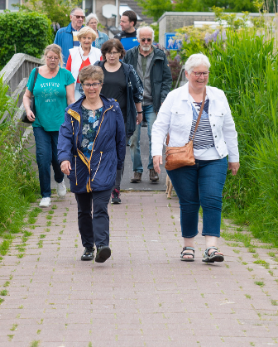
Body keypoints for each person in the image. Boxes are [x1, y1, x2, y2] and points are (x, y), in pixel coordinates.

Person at [151, 53, 240, 263]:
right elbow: (160, 126)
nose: (201, 77)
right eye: (197, 73)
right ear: (188, 74)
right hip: (181, 159)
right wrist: (156, 152)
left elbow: (229, 128)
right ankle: (188, 246)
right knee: (189, 202)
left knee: (212, 198)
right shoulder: (175, 97)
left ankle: (211, 248)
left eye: (205, 73)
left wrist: (234, 157)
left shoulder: (218, 96)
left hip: (214, 157)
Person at [58, 65, 126, 263]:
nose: (91, 88)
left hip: (104, 163)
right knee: (83, 210)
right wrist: (64, 158)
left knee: (100, 208)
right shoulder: (72, 111)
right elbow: (64, 136)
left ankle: (102, 245)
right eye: (87, 84)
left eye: (95, 84)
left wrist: (118, 164)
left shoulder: (112, 109)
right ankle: (88, 246)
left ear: (101, 85)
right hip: (80, 165)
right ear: (82, 85)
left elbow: (120, 138)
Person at [23, 44, 75, 208]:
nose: (52, 60)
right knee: (43, 158)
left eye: (55, 58)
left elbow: (71, 100)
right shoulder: (36, 73)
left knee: (58, 159)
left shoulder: (66, 75)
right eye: (49, 57)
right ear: (45, 57)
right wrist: (27, 109)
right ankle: (45, 194)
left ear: (60, 58)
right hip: (40, 124)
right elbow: (27, 95)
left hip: (61, 124)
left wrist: (73, 119)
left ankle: (60, 180)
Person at [95, 39, 144, 204]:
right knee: (100, 151)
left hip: (121, 118)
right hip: (99, 117)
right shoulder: (97, 68)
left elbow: (137, 92)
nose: (111, 55)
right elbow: (87, 88)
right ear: (104, 54)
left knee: (118, 154)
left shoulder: (128, 70)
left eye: (115, 52)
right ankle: (102, 184)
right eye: (109, 52)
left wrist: (139, 112)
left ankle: (115, 189)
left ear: (121, 54)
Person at [124, 26, 172, 184]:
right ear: (138, 39)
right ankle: (137, 170)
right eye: (142, 39)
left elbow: (167, 80)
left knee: (154, 136)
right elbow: (123, 76)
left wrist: (164, 98)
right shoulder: (130, 54)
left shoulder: (160, 55)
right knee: (133, 138)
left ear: (153, 40)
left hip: (153, 102)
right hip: (134, 102)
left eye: (148, 39)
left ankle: (153, 169)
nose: (145, 42)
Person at [66, 26, 102, 100]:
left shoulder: (98, 53)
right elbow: (68, 72)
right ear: (80, 39)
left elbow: (102, 72)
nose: (86, 40)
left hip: (93, 87)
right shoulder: (73, 52)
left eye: (89, 38)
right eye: (84, 38)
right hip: (76, 87)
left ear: (92, 39)